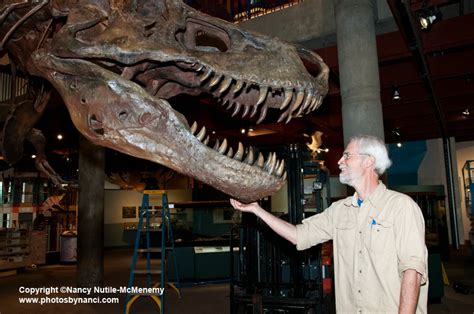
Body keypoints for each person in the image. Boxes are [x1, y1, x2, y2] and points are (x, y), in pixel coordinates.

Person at [230, 135, 428, 313]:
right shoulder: (340, 210)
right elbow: (299, 235)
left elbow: (412, 270)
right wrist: (257, 210)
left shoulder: (401, 207)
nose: (340, 161)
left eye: (347, 156)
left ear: (369, 161)